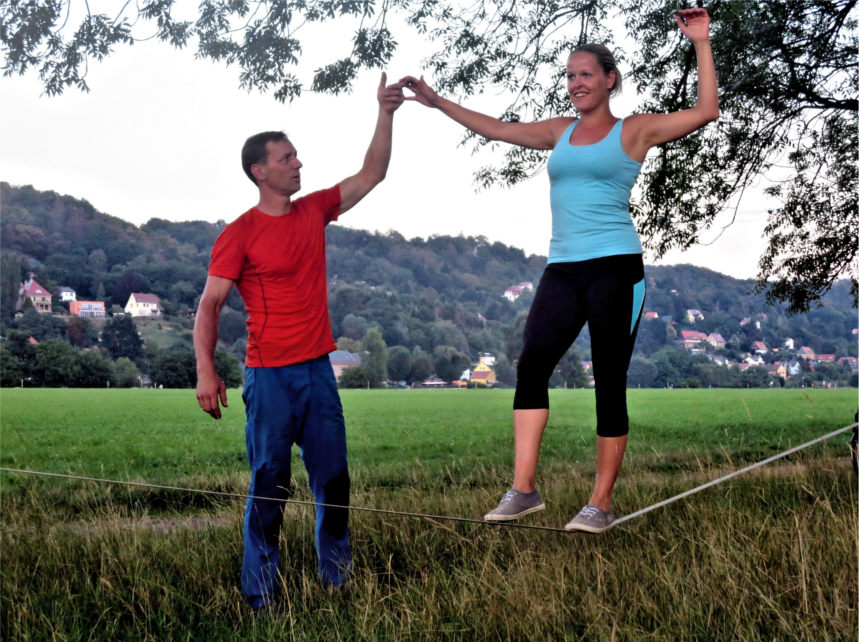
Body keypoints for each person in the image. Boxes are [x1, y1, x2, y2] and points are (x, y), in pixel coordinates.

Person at [401, 8, 718, 533]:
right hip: (563, 268)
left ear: (609, 79)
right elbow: (497, 130)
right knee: (531, 366)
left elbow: (706, 110)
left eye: (586, 74)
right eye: (570, 76)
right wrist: (436, 102)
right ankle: (524, 489)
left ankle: (601, 501)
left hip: (616, 267)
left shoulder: (634, 131)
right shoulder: (559, 132)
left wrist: (701, 43)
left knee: (609, 381)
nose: (576, 83)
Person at [193, 73, 405, 610]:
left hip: (316, 371)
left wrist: (385, 112)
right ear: (259, 171)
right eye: (287, 158)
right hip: (268, 377)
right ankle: (260, 591)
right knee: (270, 484)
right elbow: (210, 305)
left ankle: (336, 579)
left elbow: (373, 173)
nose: (298, 163)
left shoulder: (313, 211)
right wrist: (205, 370)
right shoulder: (238, 233)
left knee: (334, 481)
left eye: (297, 156)